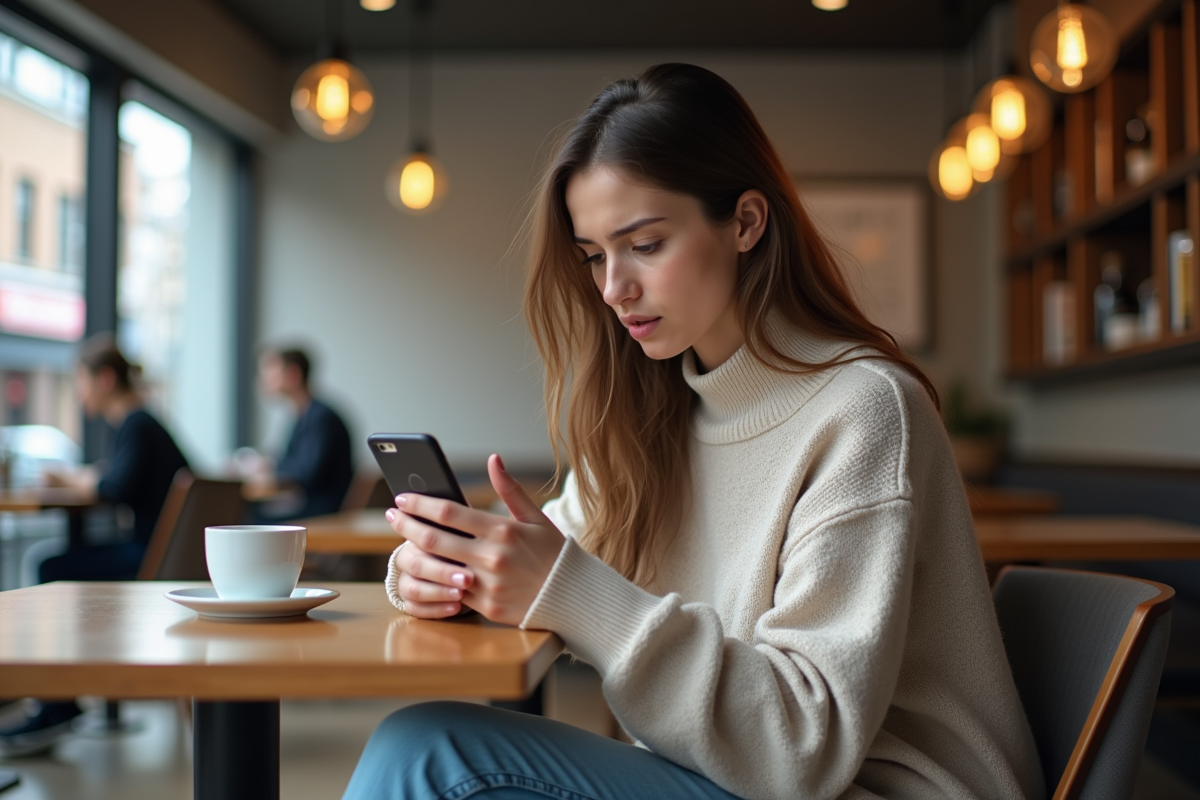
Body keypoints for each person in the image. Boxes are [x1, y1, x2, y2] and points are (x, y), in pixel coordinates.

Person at [344, 64, 1043, 800]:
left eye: (644, 244)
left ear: (745, 222)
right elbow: (550, 550)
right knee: (426, 746)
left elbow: (800, 748)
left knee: (432, 755)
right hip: (722, 776)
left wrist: (565, 590)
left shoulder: (863, 411)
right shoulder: (654, 413)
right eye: (593, 256)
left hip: (873, 788)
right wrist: (440, 576)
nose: (614, 288)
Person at [1, 334, 188, 754]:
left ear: (105, 379)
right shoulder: (141, 423)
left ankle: (58, 702)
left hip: (151, 557)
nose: (78, 390)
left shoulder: (137, 423)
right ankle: (63, 698)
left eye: (80, 380)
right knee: (60, 563)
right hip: (160, 551)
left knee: (52, 568)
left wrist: (70, 478)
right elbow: (115, 480)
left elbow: (113, 486)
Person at [250, 346, 353, 519]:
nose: (263, 380)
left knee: (250, 518)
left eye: (270, 372)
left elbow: (307, 471)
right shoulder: (302, 416)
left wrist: (271, 468)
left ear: (293, 374)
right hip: (309, 503)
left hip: (322, 510)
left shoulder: (321, 418)